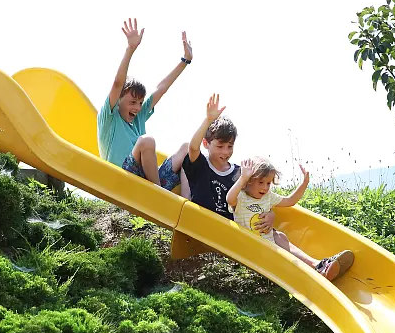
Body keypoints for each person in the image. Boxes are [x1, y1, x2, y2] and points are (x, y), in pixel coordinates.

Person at [97, 18, 192, 197]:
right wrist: (130, 49)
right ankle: (158, 196)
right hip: (121, 179)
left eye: (140, 103)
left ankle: (186, 203)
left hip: (146, 180)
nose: (138, 107)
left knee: (188, 148)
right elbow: (117, 84)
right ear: (118, 100)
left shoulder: (138, 118)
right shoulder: (109, 118)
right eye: (132, 102)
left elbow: (161, 88)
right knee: (147, 141)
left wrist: (185, 60)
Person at [226, 156, 354, 281]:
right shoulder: (240, 198)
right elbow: (229, 199)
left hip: (270, 246)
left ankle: (317, 266)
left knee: (280, 236)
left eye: (268, 183)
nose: (265, 187)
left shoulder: (268, 197)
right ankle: (315, 269)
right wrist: (243, 178)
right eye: (261, 182)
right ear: (248, 181)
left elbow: (290, 200)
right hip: (251, 248)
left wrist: (304, 184)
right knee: (278, 239)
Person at [182, 94, 274, 233]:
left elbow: (259, 197)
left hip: (229, 231)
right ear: (206, 144)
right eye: (220, 146)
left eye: (230, 146)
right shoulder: (201, 165)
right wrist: (208, 120)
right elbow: (193, 148)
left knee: (278, 236)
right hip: (201, 224)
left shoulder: (240, 173)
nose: (225, 152)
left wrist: (271, 214)